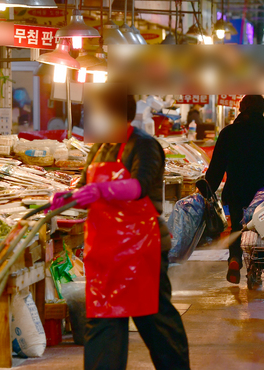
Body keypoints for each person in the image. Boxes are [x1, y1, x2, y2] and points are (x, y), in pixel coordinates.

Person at [51, 95, 190, 370]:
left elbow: (140, 186)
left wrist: (102, 190)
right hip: (104, 250)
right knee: (103, 323)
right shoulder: (100, 146)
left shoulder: (144, 145)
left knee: (154, 320)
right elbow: (84, 186)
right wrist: (69, 196)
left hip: (141, 249)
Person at [205, 95, 264, 284]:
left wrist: (208, 189)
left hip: (236, 190)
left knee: (237, 226)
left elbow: (217, 166)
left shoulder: (229, 132)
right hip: (263, 192)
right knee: (261, 228)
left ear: (241, 108)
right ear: (263, 110)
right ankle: (255, 266)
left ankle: (235, 258)